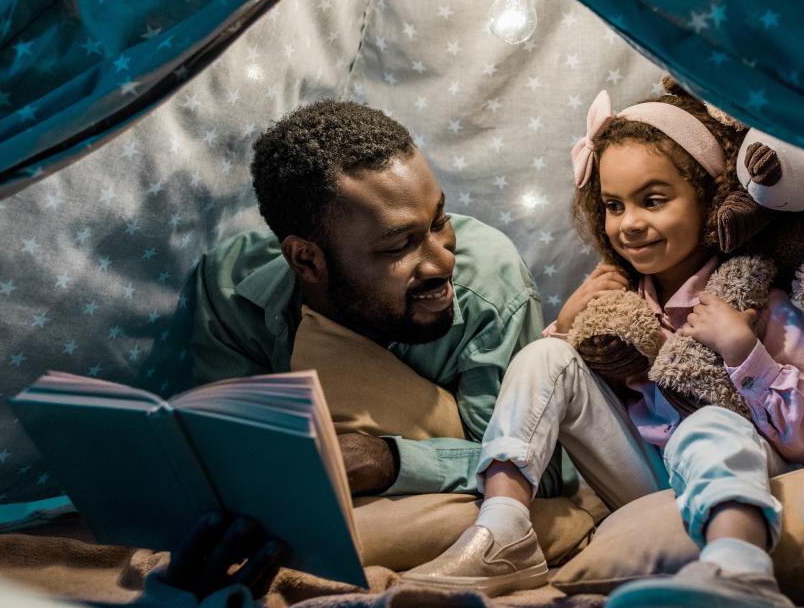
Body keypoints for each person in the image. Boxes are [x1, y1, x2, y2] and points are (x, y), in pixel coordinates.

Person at [402, 87, 804, 608]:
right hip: (642, 476)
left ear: (706, 200)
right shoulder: (617, 296)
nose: (629, 224)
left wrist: (742, 350)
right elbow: (546, 399)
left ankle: (740, 570)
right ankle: (503, 529)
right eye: (614, 205)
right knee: (544, 355)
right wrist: (566, 322)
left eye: (653, 200)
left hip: (738, 461)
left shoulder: (754, 300)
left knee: (706, 426)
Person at [190, 100, 568, 499]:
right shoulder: (232, 292)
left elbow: (539, 472)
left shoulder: (491, 289)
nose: (443, 260)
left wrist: (391, 461)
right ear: (307, 260)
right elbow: (231, 460)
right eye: (398, 246)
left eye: (440, 220)